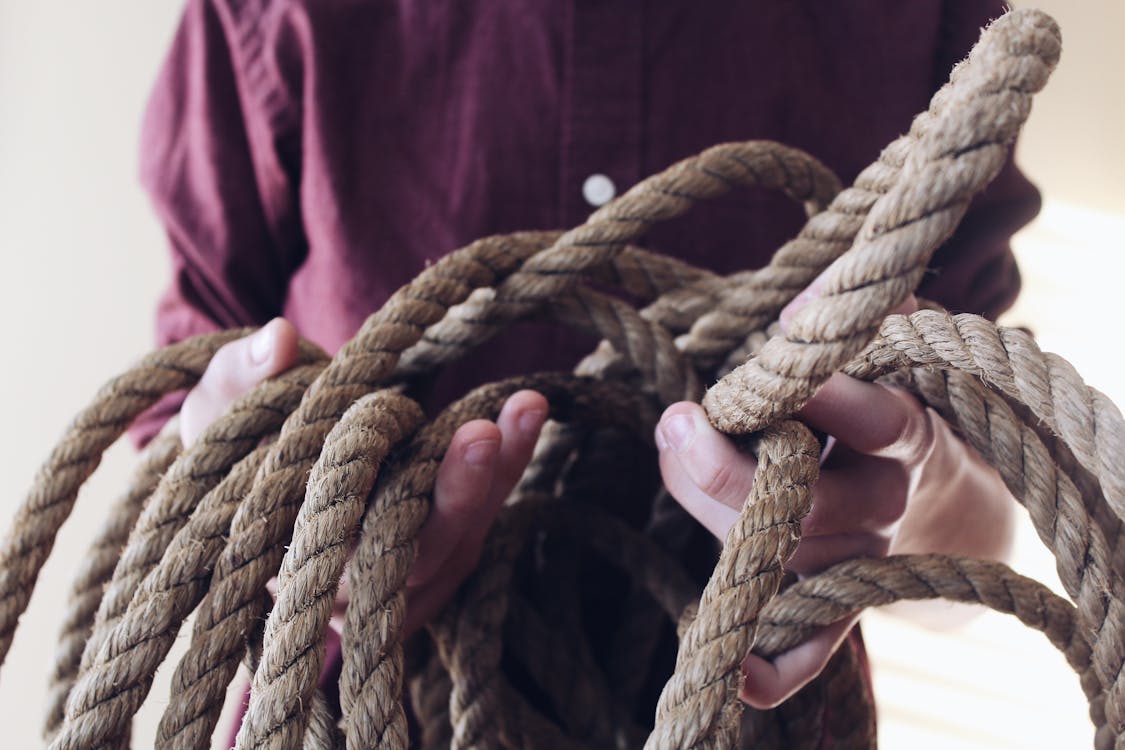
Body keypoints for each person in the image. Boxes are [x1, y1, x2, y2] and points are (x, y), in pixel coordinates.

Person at [134, 0, 1038, 731]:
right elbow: (185, 427)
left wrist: (910, 494)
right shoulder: (268, 15)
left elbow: (982, 519)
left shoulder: (924, 23)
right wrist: (278, 531)